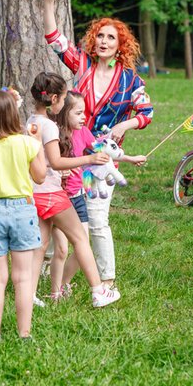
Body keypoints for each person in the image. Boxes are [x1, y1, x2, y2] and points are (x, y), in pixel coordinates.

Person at [36, 0, 153, 290]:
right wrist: (49, 2)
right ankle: (53, 272)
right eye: (100, 35)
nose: (103, 41)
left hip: (101, 161)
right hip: (68, 155)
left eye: (111, 37)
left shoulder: (131, 79)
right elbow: (55, 39)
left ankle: (107, 279)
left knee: (96, 222)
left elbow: (147, 112)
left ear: (121, 44)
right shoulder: (82, 65)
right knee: (65, 218)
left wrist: (123, 125)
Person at [26, 73, 131, 305]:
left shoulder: (30, 121)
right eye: (63, 100)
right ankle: (98, 291)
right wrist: (89, 159)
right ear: (53, 99)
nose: (63, 104)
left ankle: (30, 294)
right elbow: (56, 162)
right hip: (52, 193)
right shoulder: (50, 127)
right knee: (81, 238)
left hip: (34, 192)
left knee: (41, 245)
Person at [0, 90, 46, 339]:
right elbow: (40, 176)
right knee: (23, 278)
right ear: (14, 115)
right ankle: (24, 333)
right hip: (22, 209)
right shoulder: (27, 143)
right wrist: (38, 142)